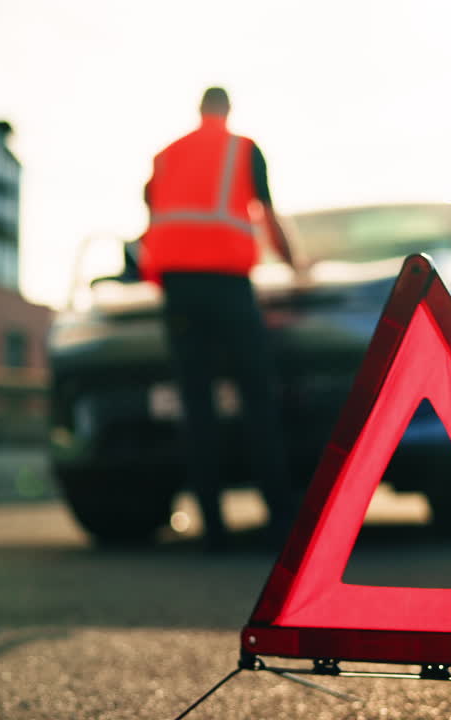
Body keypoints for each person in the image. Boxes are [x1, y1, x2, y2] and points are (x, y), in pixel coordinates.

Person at [139, 87, 301, 550]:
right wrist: (294, 264)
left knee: (196, 402)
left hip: (178, 290)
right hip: (228, 286)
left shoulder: (165, 156)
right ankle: (280, 519)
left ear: (199, 110)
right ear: (226, 111)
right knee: (256, 396)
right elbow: (266, 216)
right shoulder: (242, 150)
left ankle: (212, 525)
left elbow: (153, 215)